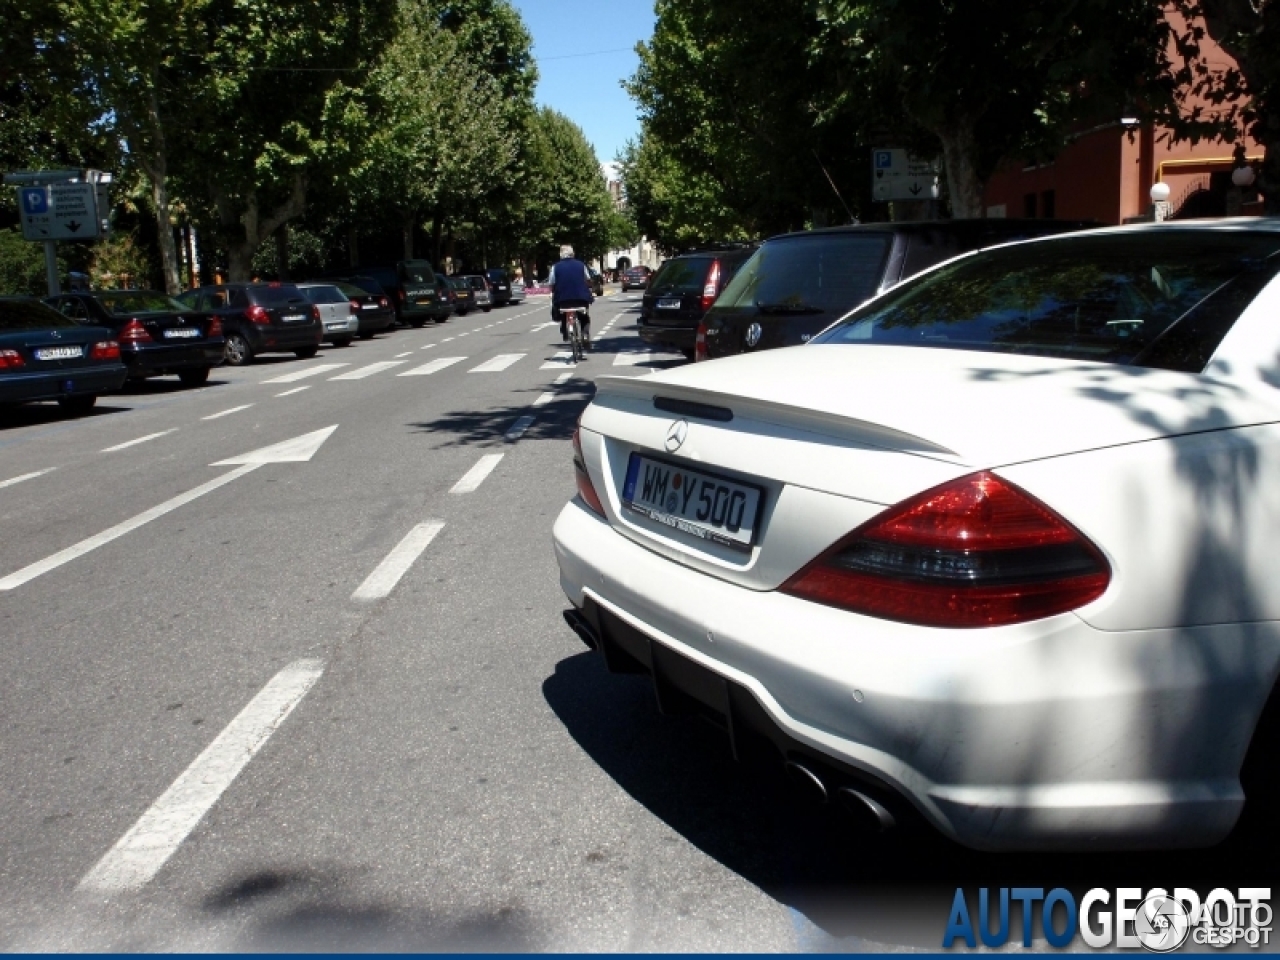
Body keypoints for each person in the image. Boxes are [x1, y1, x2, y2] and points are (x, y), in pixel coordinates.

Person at [548, 244, 593, 346]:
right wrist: (589, 288)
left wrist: (553, 292)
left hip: (563, 300)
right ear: (573, 253)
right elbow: (588, 280)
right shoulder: (581, 265)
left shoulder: (555, 267)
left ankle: (564, 330)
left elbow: (551, 284)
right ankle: (585, 334)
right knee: (584, 316)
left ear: (561, 255)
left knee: (563, 312)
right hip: (581, 298)